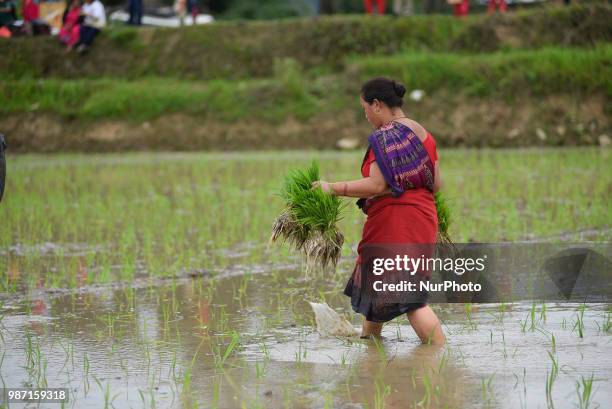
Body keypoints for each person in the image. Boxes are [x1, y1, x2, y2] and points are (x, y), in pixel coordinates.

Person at [312, 77, 445, 346]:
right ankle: (370, 348)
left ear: (377, 105)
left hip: (396, 222)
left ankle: (438, 353)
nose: (365, 115)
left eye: (364, 108)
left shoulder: (386, 136)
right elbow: (437, 183)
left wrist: (331, 188)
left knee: (409, 297)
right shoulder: (423, 134)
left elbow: (376, 184)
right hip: (422, 218)